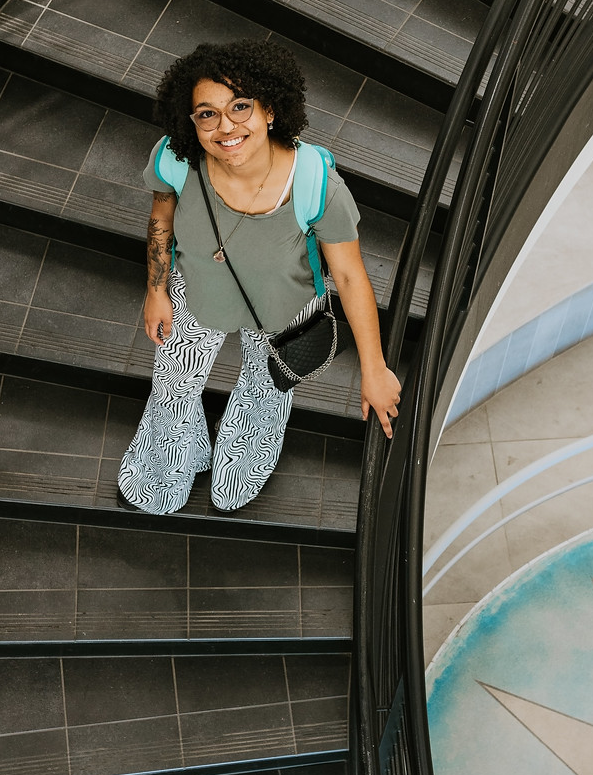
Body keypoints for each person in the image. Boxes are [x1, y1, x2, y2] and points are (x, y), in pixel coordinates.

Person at [119, 39, 402, 514]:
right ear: (191, 121)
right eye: (207, 114)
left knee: (263, 386)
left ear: (270, 110)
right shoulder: (177, 158)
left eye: (241, 107)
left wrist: (373, 369)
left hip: (282, 309)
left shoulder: (316, 185)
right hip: (197, 292)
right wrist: (156, 291)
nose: (225, 127)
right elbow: (160, 218)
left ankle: (242, 462)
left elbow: (351, 277)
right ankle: (166, 467)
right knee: (173, 387)